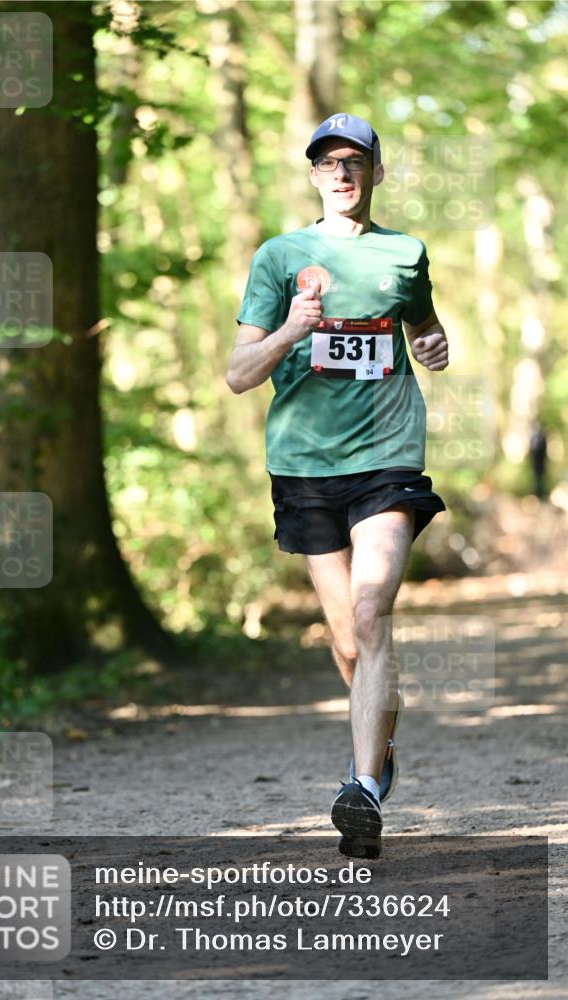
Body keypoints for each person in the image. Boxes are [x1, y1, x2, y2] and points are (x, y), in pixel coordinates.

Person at [226, 113, 449, 859]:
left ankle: (360, 789)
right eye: (327, 162)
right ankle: (379, 749)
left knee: (369, 604)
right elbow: (237, 374)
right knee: (350, 644)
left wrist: (432, 340)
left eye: (355, 161)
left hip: (387, 456)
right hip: (303, 465)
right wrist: (291, 329)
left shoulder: (403, 252)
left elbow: (420, 324)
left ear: (376, 172)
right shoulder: (280, 256)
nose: (341, 173)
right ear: (313, 174)